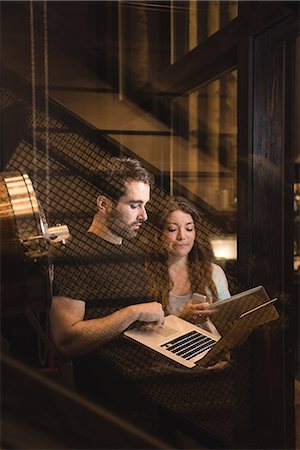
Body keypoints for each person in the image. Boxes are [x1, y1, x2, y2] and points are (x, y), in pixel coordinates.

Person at [49, 157, 164, 429]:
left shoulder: (132, 251)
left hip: (143, 395)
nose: (143, 216)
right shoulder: (74, 255)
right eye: (134, 205)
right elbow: (65, 342)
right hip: (104, 408)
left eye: (144, 206)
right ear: (104, 204)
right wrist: (133, 312)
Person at [146, 196, 231, 335]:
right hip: (166, 355)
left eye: (189, 228)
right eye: (172, 229)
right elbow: (141, 334)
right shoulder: (144, 273)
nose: (182, 236)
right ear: (158, 234)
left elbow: (228, 322)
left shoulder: (214, 272)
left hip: (212, 353)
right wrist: (182, 319)